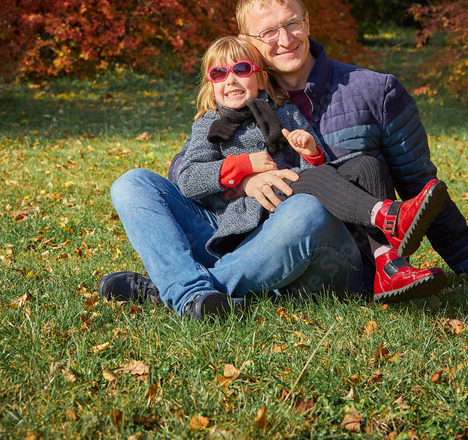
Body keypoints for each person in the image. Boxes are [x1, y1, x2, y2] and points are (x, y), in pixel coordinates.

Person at [103, 0, 468, 320]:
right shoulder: (241, 93)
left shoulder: (374, 91)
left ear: (307, 22)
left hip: (334, 247)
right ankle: (200, 293)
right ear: (248, 43)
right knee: (133, 182)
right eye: (269, 32)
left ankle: (176, 290)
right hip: (246, 235)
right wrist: (244, 179)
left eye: (293, 24)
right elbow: (183, 170)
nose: (285, 38)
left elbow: (419, 183)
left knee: (305, 207)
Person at [175, 35, 449, 304]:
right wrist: (245, 167)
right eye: (219, 73)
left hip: (296, 195)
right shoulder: (208, 124)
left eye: (241, 69)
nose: (231, 79)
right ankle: (387, 216)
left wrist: (311, 152)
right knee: (311, 181)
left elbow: (315, 170)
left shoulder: (285, 112)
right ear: (211, 84)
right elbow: (188, 178)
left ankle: (390, 266)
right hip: (259, 217)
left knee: (366, 164)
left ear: (260, 77)